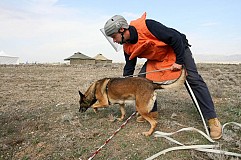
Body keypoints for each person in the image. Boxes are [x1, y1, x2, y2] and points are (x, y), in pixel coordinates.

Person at [103, 12, 222, 140]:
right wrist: (124, 82)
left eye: (114, 36)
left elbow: (175, 38)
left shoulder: (148, 26)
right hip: (157, 57)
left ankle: (212, 119)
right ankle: (151, 112)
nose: (114, 40)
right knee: (142, 81)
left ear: (122, 29)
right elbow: (129, 67)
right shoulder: (127, 46)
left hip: (177, 49)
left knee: (193, 79)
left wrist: (179, 61)